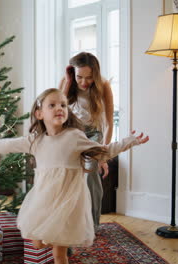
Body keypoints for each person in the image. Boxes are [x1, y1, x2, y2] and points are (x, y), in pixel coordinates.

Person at [0, 88, 148, 264]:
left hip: (68, 202)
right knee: (38, 243)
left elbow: (103, 152)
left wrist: (129, 141)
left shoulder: (74, 136)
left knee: (59, 254)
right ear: (39, 114)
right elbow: (9, 144)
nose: (60, 108)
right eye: (53, 105)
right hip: (44, 200)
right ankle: (49, 238)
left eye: (63, 105)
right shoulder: (35, 140)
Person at [58, 52, 114, 232]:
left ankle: (92, 225)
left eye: (89, 78)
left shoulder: (103, 86)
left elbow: (109, 123)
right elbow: (57, 109)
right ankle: (68, 222)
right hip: (71, 134)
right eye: (79, 77)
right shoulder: (67, 82)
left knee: (91, 173)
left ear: (95, 75)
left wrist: (103, 156)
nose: (83, 82)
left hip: (93, 135)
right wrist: (67, 82)